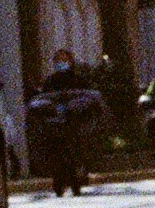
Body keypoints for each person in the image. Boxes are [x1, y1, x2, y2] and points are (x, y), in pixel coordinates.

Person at [26, 49, 106, 198]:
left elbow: (88, 97)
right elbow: (42, 98)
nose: (61, 63)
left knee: (77, 146)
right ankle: (58, 177)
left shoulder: (78, 79)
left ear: (70, 62)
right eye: (58, 60)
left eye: (64, 60)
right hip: (55, 124)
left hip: (73, 123)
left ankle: (78, 176)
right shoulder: (50, 80)